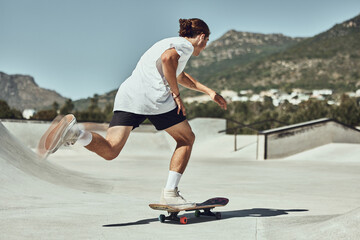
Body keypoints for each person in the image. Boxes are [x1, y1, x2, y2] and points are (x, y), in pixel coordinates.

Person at [41, 18, 227, 208]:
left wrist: (209, 92)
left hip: (129, 95)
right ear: (202, 37)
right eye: (206, 42)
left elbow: (179, 75)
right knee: (186, 139)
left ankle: (76, 134)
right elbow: (167, 60)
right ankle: (170, 193)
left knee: (111, 150)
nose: (204, 47)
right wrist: (176, 95)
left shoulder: (169, 42)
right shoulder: (185, 46)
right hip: (155, 99)